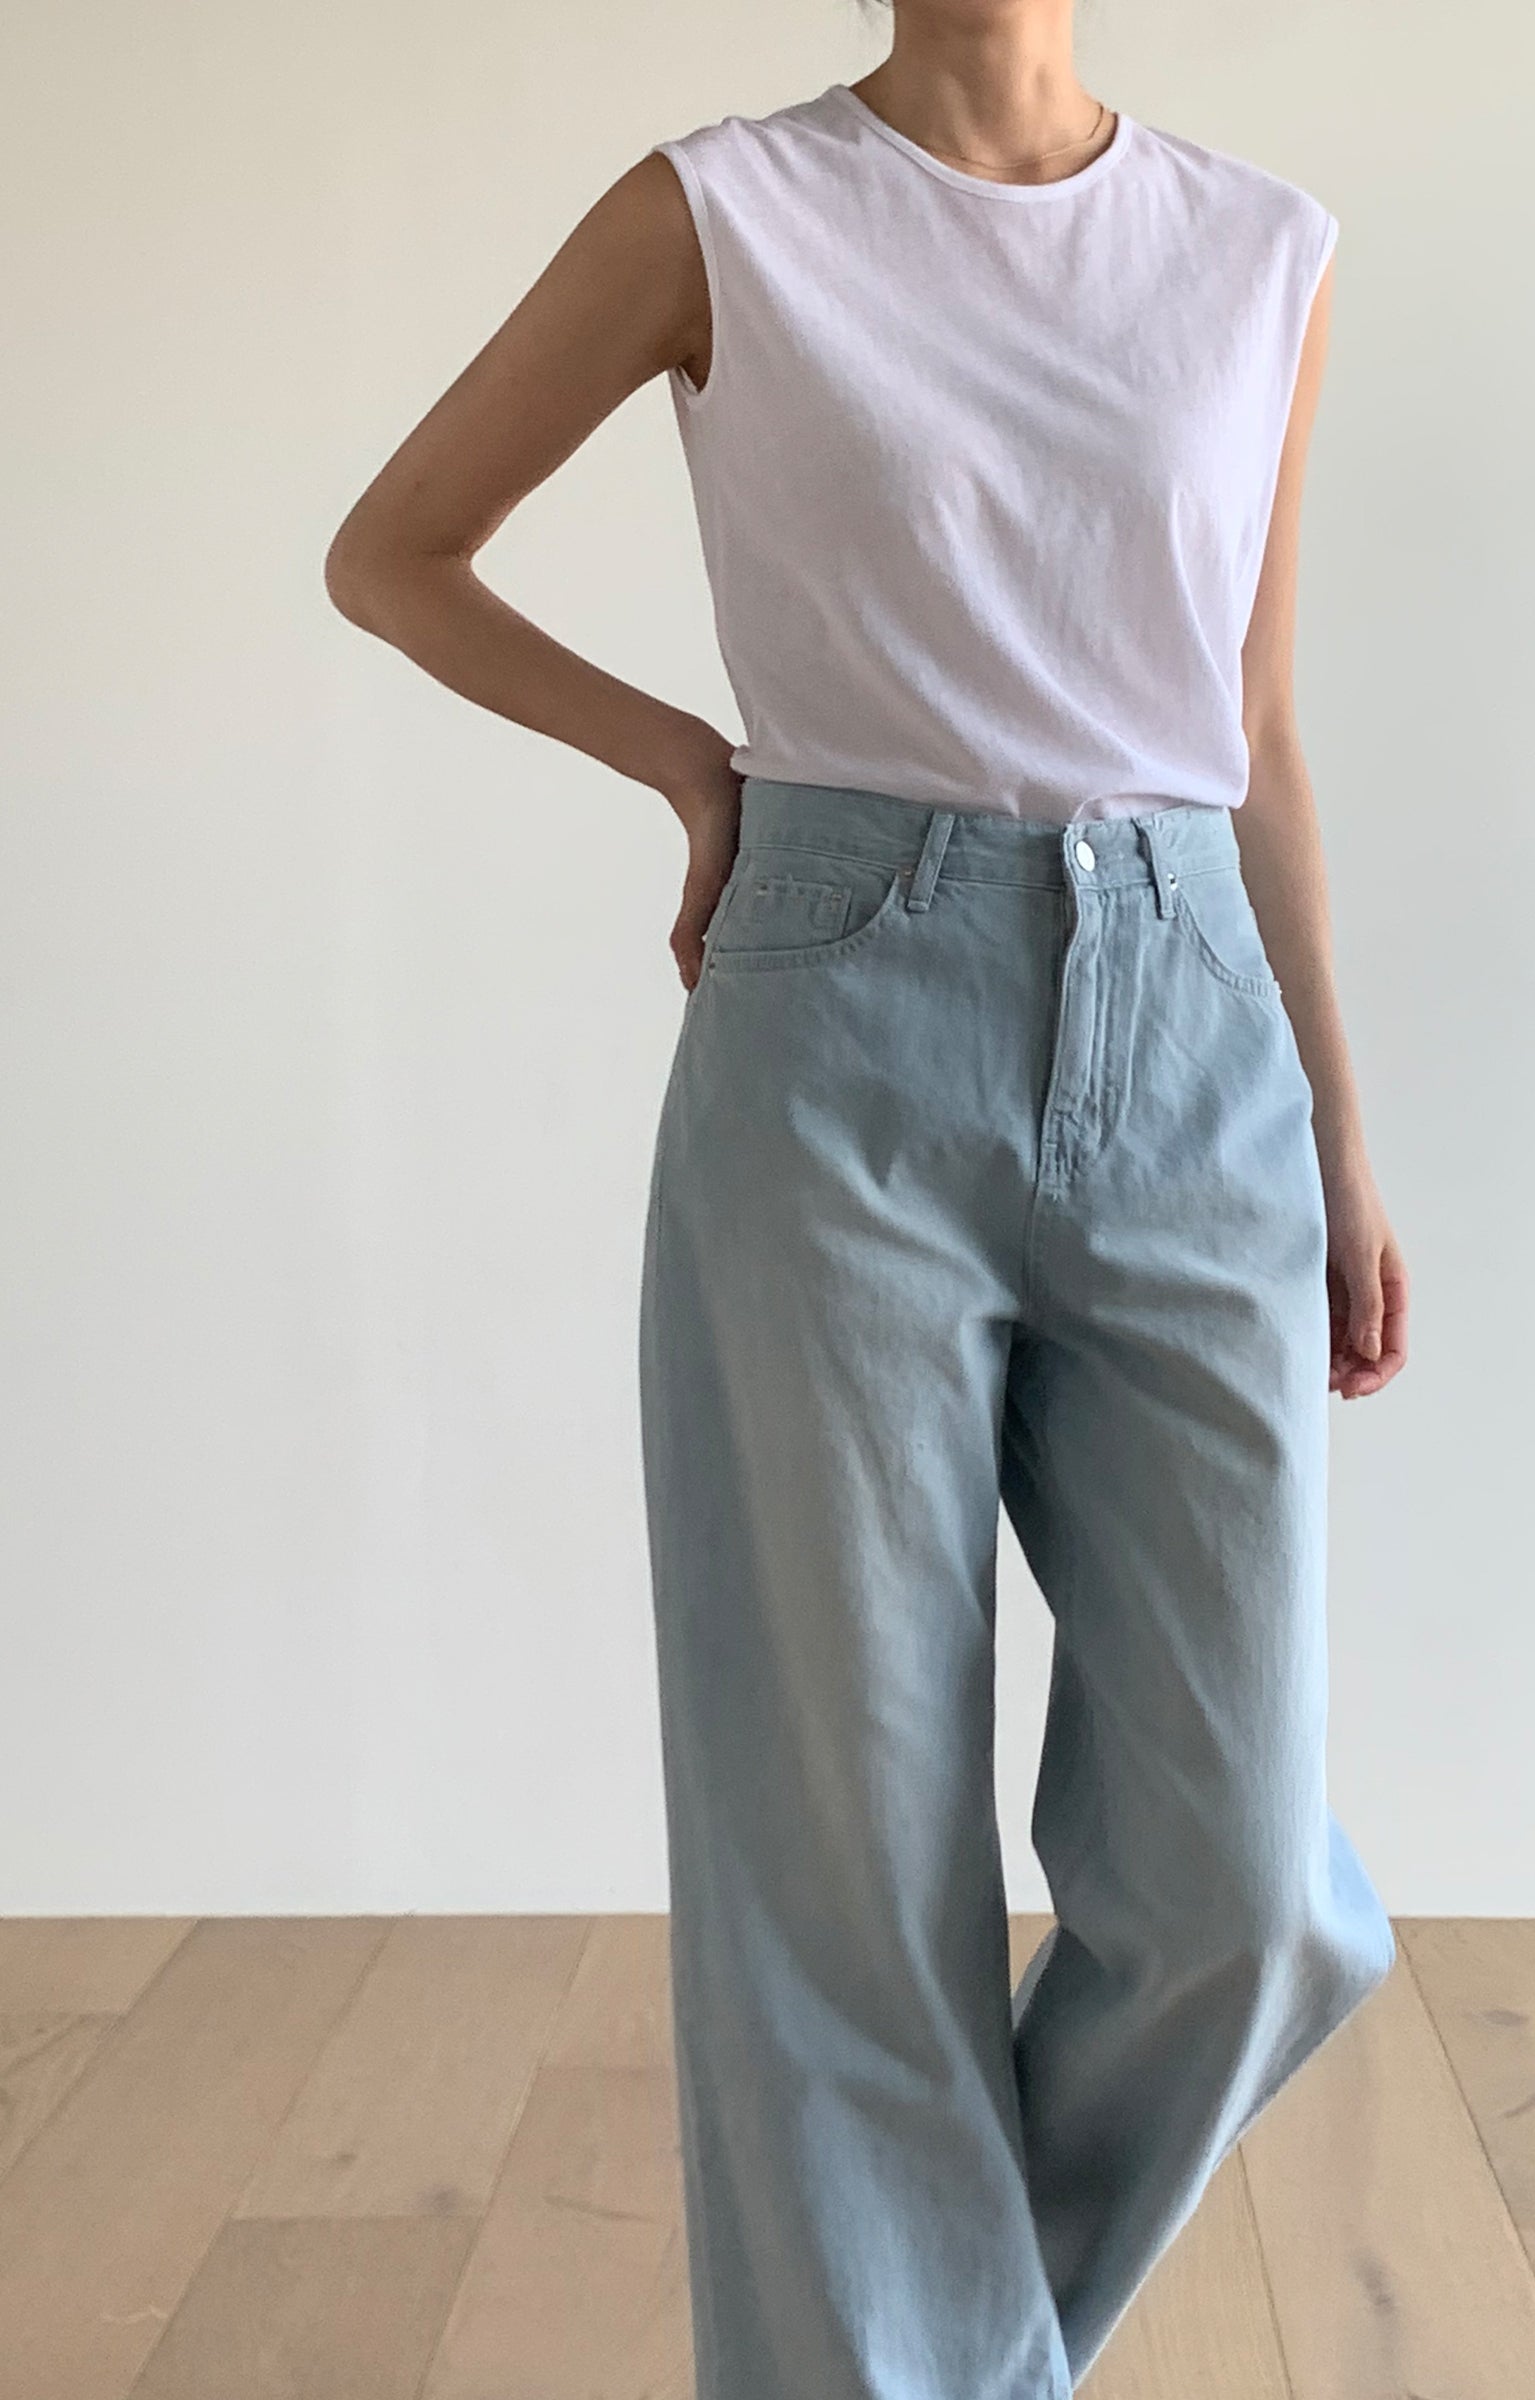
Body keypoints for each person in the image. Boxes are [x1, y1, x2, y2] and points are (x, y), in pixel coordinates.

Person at [325, 8, 1410, 2394]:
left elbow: (1251, 730)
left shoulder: (1258, 250)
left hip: (1194, 1043)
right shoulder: (722, 215)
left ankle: (912, 2353)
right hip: (835, 1033)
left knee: (1245, 1897)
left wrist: (1337, 1128)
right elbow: (391, 555)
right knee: (839, 1876)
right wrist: (688, 765)